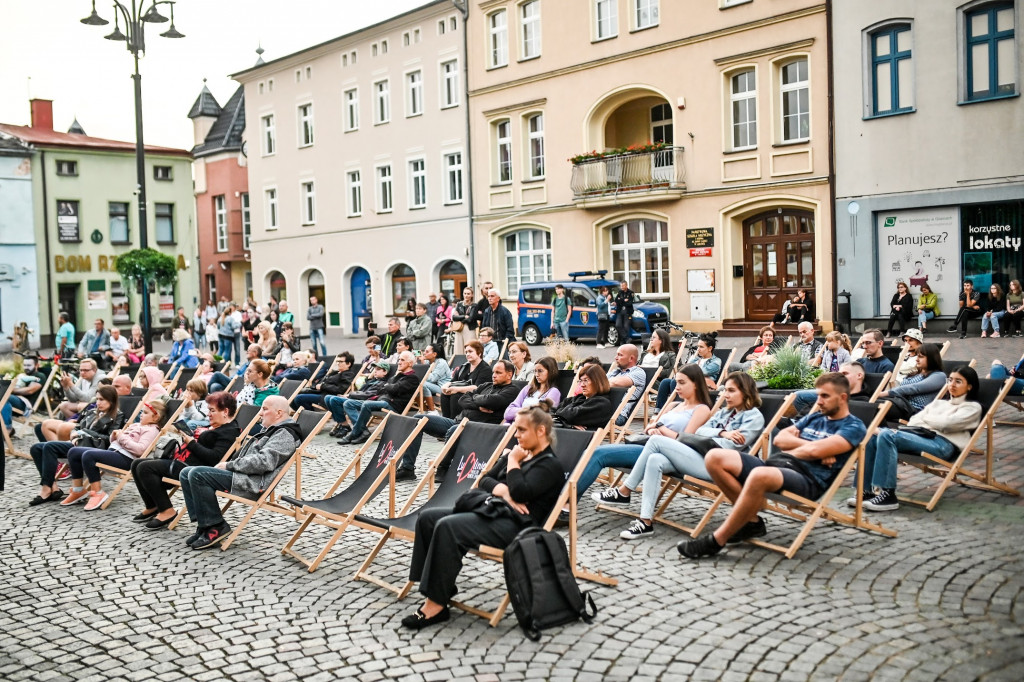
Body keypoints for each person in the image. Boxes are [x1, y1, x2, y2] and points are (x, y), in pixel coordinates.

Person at [401, 403, 564, 630]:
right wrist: (504, 490)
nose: (516, 435)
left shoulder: (549, 465)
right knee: (428, 518)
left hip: (518, 529)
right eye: (515, 429)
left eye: (521, 430)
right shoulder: (520, 453)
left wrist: (513, 463)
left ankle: (435, 605)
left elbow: (520, 492)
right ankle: (441, 586)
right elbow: (485, 479)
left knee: (448, 526)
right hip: (493, 512)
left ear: (540, 431)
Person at [678, 372, 866, 558]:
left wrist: (809, 449)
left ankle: (716, 540)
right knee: (714, 457)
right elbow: (781, 439)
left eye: (825, 396)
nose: (819, 401)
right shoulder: (815, 417)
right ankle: (751, 521)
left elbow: (812, 452)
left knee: (759, 474)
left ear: (842, 398)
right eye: (818, 395)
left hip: (807, 478)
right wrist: (813, 448)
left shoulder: (853, 426)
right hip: (777, 465)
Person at [580, 370, 757, 523]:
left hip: (680, 453)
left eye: (681, 383)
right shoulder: (674, 405)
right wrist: (654, 429)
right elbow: (653, 426)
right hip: (653, 447)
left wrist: (660, 430)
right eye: (724, 390)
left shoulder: (702, 409)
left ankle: (572, 502)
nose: (676, 387)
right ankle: (645, 520)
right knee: (644, 454)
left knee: (598, 453)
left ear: (695, 385)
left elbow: (688, 439)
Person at [851, 367, 983, 512]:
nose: (952, 384)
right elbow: (914, 420)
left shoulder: (972, 408)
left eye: (958, 381)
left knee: (886, 434)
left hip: (943, 444)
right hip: (921, 436)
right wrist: (937, 421)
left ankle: (888, 495)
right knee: (873, 435)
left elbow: (946, 425)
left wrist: (928, 419)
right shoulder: (939, 403)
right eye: (950, 380)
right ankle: (865, 491)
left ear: (969, 386)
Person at [179, 396, 301, 549]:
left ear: (279, 413)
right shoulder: (274, 430)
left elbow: (264, 462)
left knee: (197, 474)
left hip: (252, 482)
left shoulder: (285, 434)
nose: (260, 413)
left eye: (264, 409)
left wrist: (230, 465)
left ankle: (216, 526)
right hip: (243, 474)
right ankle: (205, 524)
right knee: (186, 472)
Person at [130, 391, 241, 530]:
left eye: (212, 410)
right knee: (136, 464)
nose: (208, 414)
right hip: (185, 462)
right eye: (209, 410)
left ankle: (167, 511)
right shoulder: (218, 426)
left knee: (145, 468)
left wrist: (191, 443)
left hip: (193, 469)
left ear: (225, 411)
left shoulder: (229, 432)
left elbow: (214, 458)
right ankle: (153, 506)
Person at [59, 399, 168, 511]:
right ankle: (78, 490)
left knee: (88, 455)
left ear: (156, 417)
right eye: (141, 412)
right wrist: (115, 435)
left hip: (127, 459)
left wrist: (121, 437)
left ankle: (98, 493)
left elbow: (140, 450)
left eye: (145, 413)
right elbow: (117, 441)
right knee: (73, 452)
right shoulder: (136, 425)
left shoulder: (152, 430)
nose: (141, 415)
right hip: (114, 452)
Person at [28, 386, 124, 506]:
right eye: (97, 399)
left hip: (92, 448)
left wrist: (84, 433)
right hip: (76, 443)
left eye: (102, 399)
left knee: (49, 446)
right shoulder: (92, 412)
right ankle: (53, 486)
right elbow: (78, 426)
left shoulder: (117, 416)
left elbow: (110, 439)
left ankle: (46, 489)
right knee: (36, 448)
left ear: (111, 400)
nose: (98, 402)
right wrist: (75, 432)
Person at [424, 360, 521, 476]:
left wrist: (475, 397)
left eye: (498, 373)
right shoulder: (486, 385)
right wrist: (479, 406)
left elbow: (490, 401)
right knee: (419, 419)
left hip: (478, 428)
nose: (494, 375)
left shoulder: (512, 390)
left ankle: (442, 468)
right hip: (458, 422)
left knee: (454, 430)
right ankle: (407, 468)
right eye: (493, 372)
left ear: (509, 374)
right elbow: (462, 400)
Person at [340, 351, 422, 446]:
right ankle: (363, 432)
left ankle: (354, 433)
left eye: (402, 360)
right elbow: (382, 389)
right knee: (348, 403)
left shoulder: (412, 378)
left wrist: (388, 386)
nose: (399, 362)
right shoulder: (398, 376)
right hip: (382, 401)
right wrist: (388, 386)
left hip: (393, 405)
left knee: (367, 404)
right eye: (399, 359)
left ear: (410, 363)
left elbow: (393, 389)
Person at [876, 343, 947, 422]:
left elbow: (915, 388)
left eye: (921, 356)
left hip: (913, 410)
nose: (917, 359)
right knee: (866, 401)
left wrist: (886, 393)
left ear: (931, 358)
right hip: (900, 404)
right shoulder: (916, 374)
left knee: (874, 406)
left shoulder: (939, 376)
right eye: (917, 356)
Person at [656, 333, 720, 408]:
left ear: (710, 348)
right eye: (698, 346)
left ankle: (680, 406)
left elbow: (699, 373)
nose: (698, 349)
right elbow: (685, 369)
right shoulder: (696, 359)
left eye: (701, 347)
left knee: (675, 381)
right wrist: (693, 358)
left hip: (702, 385)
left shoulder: (716, 362)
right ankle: (659, 409)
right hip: (690, 382)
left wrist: (689, 368)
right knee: (665, 382)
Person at [792, 361, 873, 415]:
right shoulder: (832, 394)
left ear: (859, 375)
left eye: (845, 373)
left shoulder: (864, 402)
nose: (840, 377)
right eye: (839, 374)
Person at [550, 364, 614, 430]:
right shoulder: (579, 398)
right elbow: (554, 411)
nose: (582, 385)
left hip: (584, 438)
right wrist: (568, 424)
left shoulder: (602, 403)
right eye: (581, 381)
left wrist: (561, 416)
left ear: (597, 382)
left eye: (586, 380)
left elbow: (572, 416)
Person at [439, 341, 492, 418]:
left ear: (479, 353)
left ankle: (455, 422)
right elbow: (452, 381)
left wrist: (456, 389)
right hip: (463, 394)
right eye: (466, 352)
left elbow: (478, 388)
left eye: (470, 351)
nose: (467, 354)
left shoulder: (485, 369)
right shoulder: (464, 367)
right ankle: (446, 420)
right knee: (445, 394)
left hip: (476, 397)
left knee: (456, 395)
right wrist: (445, 386)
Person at [292, 352, 357, 412]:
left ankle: (311, 416)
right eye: (337, 361)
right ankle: (302, 415)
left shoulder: (347, 374)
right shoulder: (335, 372)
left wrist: (323, 386)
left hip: (327, 396)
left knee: (299, 398)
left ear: (348, 364)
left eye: (340, 361)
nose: (338, 363)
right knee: (292, 398)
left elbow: (340, 389)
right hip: (319, 392)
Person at [503, 356, 561, 423]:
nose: (536, 374)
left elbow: (540, 415)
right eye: (535, 371)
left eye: (540, 371)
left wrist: (518, 412)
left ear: (551, 372)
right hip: (513, 425)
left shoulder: (554, 392)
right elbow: (508, 413)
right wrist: (530, 410)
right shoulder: (528, 388)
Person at [1, 356, 47, 432]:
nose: (26, 367)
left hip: (26, 404)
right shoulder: (22, 376)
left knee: (4, 397)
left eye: (29, 365)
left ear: (36, 365)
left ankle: (7, 429)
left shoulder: (39, 376)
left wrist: (11, 390)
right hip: (15, 400)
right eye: (24, 365)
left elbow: (29, 391)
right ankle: (6, 429)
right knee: (4, 399)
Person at [607, 344, 647, 426]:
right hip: (602, 408)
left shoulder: (638, 373)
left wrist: (597, 384)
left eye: (620, 355)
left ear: (631, 358)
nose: (616, 358)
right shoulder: (615, 372)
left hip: (617, 415)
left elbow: (614, 383)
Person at [419, 345, 452, 413]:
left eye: (427, 351)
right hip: (434, 385)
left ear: (434, 354)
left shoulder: (441, 363)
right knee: (415, 384)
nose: (424, 353)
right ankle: (424, 410)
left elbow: (432, 379)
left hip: (443, 387)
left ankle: (432, 411)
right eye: (425, 351)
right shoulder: (428, 362)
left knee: (423, 384)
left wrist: (422, 367)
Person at [451, 287, 477, 355]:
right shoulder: (459, 304)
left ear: (472, 295)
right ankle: (459, 364)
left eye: (468, 294)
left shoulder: (474, 305)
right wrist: (464, 316)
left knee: (469, 346)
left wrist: (459, 317)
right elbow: (454, 317)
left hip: (469, 328)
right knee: (458, 348)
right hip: (459, 328)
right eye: (465, 293)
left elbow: (470, 319)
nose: (466, 295)